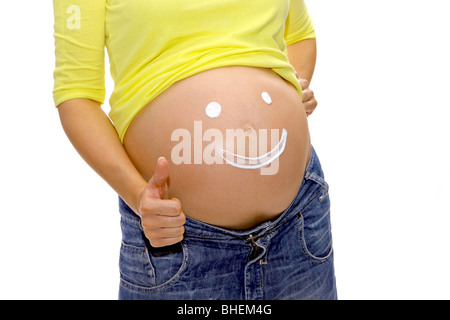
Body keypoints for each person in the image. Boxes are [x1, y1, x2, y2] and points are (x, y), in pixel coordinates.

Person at [53, 0, 337, 300]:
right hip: (175, 240)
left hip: (298, 221)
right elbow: (76, 95)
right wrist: (138, 197)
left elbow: (300, 35)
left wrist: (293, 88)